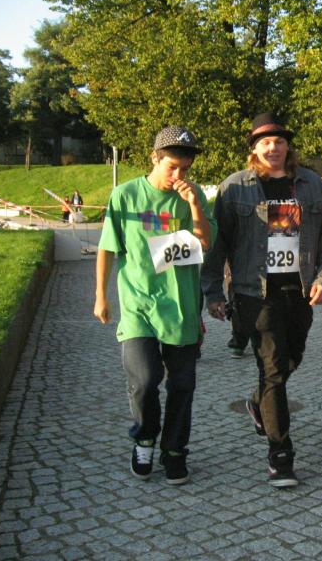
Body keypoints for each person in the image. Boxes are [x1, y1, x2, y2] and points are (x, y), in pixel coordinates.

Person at [201, 112, 322, 488]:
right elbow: (218, 244)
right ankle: (281, 454)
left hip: (299, 290)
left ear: (288, 146)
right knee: (273, 371)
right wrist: (213, 292)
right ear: (254, 148)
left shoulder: (311, 184)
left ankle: (257, 402)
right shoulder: (235, 187)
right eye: (265, 142)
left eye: (279, 141)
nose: (273, 147)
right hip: (254, 293)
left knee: (292, 359)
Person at [94, 126, 215, 485]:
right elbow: (107, 247)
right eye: (171, 167)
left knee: (182, 384)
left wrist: (194, 205)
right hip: (139, 304)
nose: (178, 175)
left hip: (181, 305)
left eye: (185, 168)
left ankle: (174, 450)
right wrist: (101, 295)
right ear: (154, 158)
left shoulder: (193, 195)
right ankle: (145, 438)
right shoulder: (125, 195)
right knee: (145, 380)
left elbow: (205, 243)